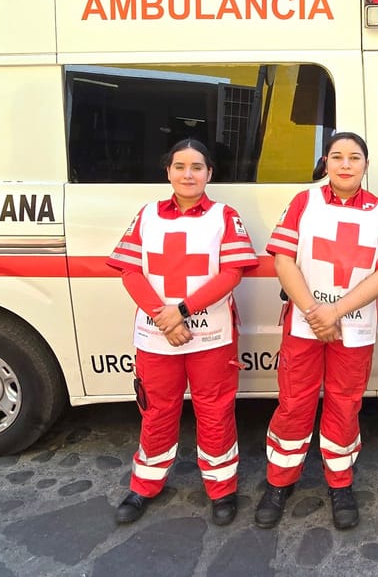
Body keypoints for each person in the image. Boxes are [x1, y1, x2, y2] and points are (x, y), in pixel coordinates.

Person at [254, 131, 378, 530]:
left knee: (344, 404)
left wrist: (335, 311)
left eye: (354, 157)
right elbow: (283, 260)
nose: (345, 164)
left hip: (355, 328)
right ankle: (278, 481)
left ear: (366, 165)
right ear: (325, 162)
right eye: (337, 156)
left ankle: (340, 483)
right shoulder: (305, 202)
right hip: (305, 324)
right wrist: (313, 311)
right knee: (294, 402)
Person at [106, 138, 258, 527]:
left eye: (196, 167)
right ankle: (144, 486)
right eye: (179, 166)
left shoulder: (225, 215)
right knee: (156, 411)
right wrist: (165, 318)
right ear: (167, 171)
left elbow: (232, 272)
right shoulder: (148, 214)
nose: (187, 174)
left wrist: (182, 312)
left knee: (215, 411)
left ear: (210, 173)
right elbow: (130, 270)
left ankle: (222, 489)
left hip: (211, 336)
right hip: (157, 334)